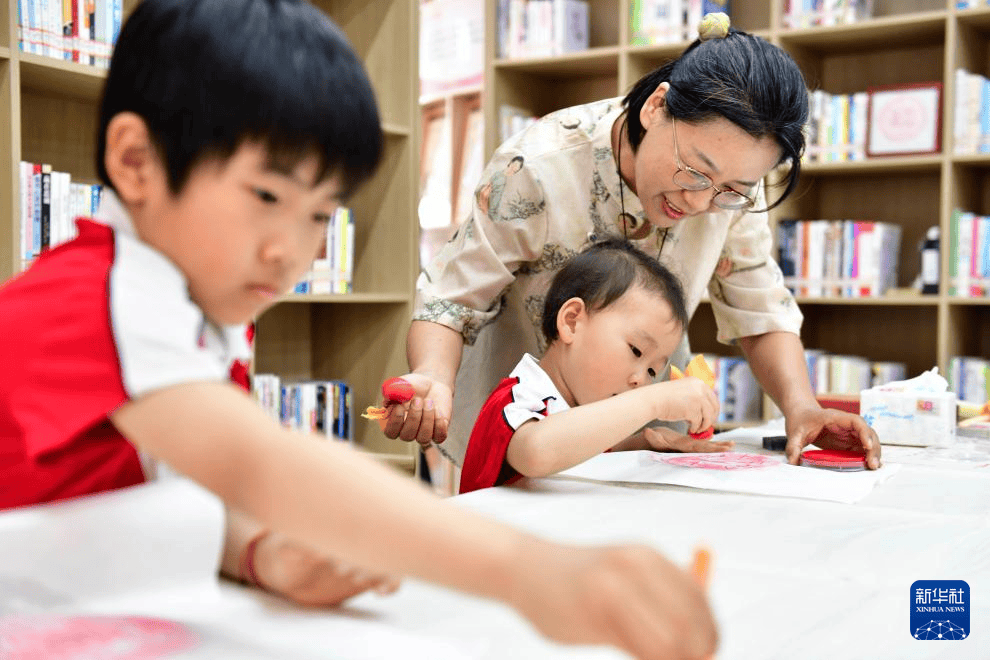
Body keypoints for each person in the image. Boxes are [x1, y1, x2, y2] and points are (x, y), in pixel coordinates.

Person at [0, 1, 718, 658]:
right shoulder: (96, 300)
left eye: (319, 215)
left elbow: (170, 488)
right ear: (135, 163)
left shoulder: (196, 313)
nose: (294, 250)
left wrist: (258, 553)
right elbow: (259, 466)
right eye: (267, 195)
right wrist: (528, 572)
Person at [386, 14, 882, 472]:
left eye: (732, 188)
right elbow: (452, 300)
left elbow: (759, 305)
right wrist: (433, 377)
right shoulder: (539, 167)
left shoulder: (730, 198)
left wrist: (802, 408)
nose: (699, 200)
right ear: (656, 106)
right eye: (695, 171)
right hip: (522, 433)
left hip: (639, 434)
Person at [459, 239, 723, 494]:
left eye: (653, 371)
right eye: (636, 350)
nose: (641, 381)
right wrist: (653, 402)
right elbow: (538, 451)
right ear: (572, 322)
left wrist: (642, 444)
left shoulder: (580, 411)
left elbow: (582, 450)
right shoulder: (515, 400)